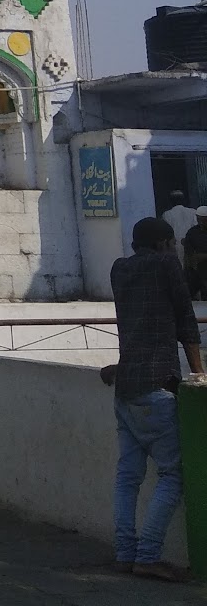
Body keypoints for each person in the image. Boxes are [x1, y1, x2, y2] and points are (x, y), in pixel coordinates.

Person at [107, 215, 205, 581]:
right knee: (172, 475)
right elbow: (185, 319)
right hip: (156, 386)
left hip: (126, 386)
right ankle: (147, 555)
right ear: (164, 243)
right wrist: (198, 372)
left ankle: (124, 552)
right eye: (174, 242)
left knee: (127, 477)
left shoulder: (119, 270)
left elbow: (135, 323)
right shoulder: (165, 263)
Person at [161, 191, 195, 263]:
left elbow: (166, 233)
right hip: (191, 244)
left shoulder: (166, 214)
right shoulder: (193, 212)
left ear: (171, 201)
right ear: (183, 200)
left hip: (175, 245)